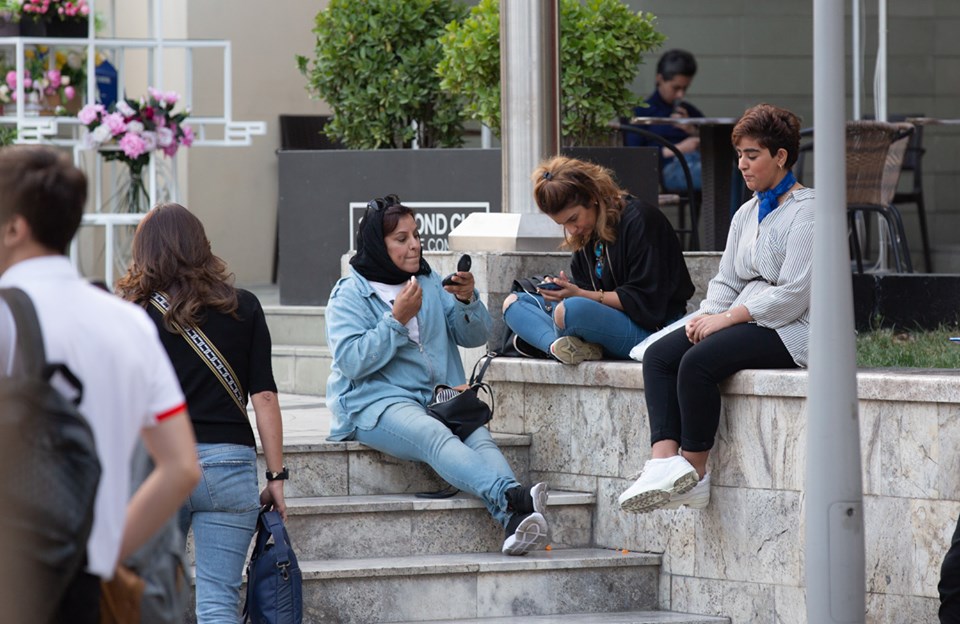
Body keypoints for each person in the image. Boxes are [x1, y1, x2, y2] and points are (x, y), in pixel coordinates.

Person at [0, 145, 200, 623]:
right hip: (86, 583)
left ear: (14, 228)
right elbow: (182, 467)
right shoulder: (128, 323)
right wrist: (105, 551)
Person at [325, 194, 550, 556]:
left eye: (416, 235)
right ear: (378, 246)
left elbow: (474, 336)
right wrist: (396, 319)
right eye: (401, 239)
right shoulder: (349, 294)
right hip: (375, 403)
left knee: (480, 439)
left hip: (440, 397)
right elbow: (352, 362)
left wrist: (466, 301)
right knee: (434, 435)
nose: (415, 244)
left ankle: (513, 519)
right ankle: (512, 496)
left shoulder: (427, 281)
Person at [618, 103, 814, 514]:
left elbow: (795, 293)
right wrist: (706, 317)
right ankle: (663, 463)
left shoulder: (809, 211)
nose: (742, 164)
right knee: (660, 356)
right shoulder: (746, 212)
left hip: (792, 327)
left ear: (781, 156)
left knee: (698, 362)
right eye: (739, 154)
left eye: (752, 155)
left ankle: (695, 475)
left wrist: (726, 319)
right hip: (742, 317)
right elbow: (726, 280)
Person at [116, 202, 287, 623]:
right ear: (200, 245)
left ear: (145, 252)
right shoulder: (244, 306)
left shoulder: (130, 314)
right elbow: (264, 396)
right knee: (218, 604)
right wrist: (276, 477)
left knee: (152, 601)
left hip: (159, 468)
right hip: (229, 467)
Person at [501, 156, 695, 364]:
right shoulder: (587, 232)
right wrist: (567, 289)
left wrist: (579, 294)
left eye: (573, 219)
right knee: (514, 303)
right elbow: (589, 292)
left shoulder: (640, 219)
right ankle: (557, 347)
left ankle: (548, 341)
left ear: (592, 197)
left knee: (570, 310)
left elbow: (646, 301)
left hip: (652, 330)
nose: (571, 230)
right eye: (563, 224)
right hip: (606, 320)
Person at [623, 49, 705, 192]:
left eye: (685, 88)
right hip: (667, 169)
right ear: (659, 79)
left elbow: (714, 142)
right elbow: (635, 157)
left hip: (698, 163)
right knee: (720, 176)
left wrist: (693, 131)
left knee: (732, 171)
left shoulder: (689, 111)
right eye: (676, 88)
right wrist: (679, 149)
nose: (680, 95)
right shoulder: (641, 113)